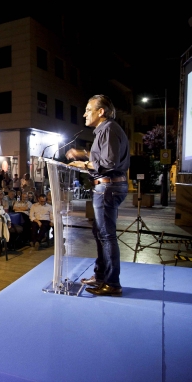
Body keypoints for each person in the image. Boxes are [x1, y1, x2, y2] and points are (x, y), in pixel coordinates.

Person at [66, 94, 129, 297]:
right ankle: (102, 276)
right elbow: (102, 157)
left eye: (88, 109)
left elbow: (108, 163)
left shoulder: (108, 129)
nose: (84, 113)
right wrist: (83, 155)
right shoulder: (105, 130)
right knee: (100, 234)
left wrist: (83, 163)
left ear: (100, 111)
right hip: (106, 187)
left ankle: (112, 283)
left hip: (108, 188)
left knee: (107, 235)